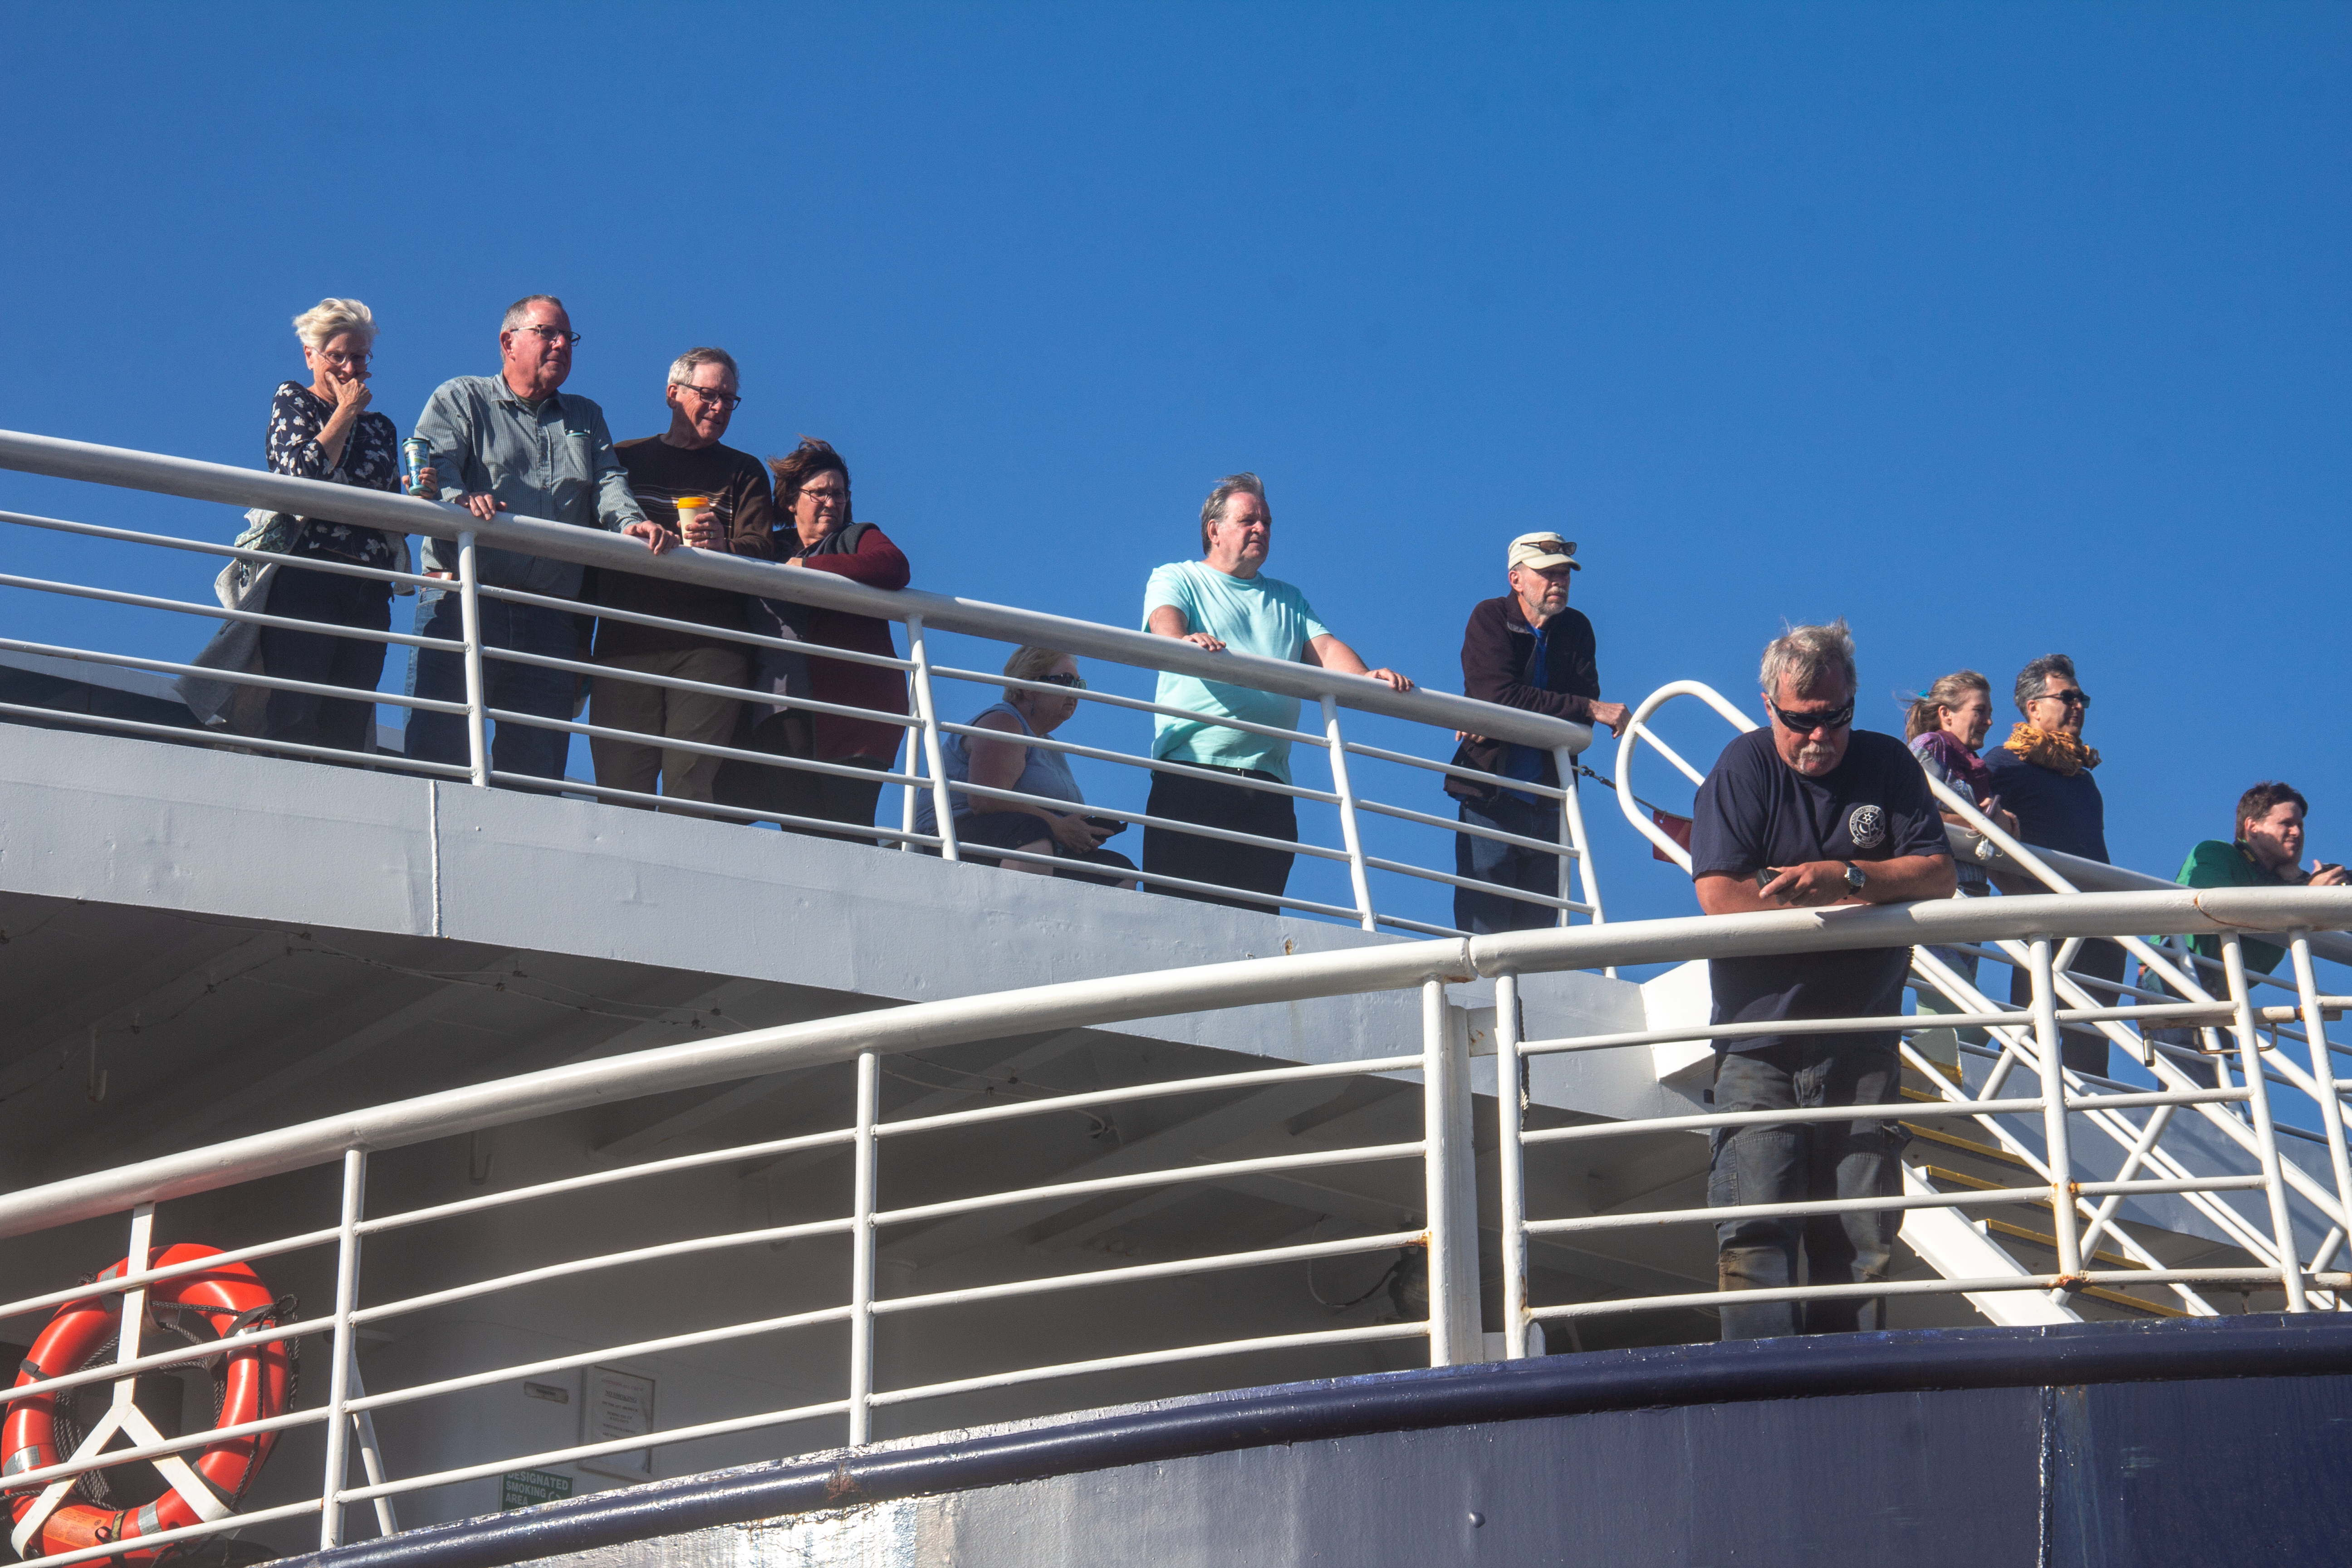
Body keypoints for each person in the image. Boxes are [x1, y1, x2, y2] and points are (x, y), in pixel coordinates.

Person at [1688, 619, 1954, 1340]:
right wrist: (1834, 899)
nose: (1819, 736)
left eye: (1836, 718)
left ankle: (1854, 1407)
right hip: (1759, 1047)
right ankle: (1758, 1406)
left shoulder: (1888, 765)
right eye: (1801, 721)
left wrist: (1848, 876)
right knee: (1754, 1241)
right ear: (1768, 705)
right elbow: (1719, 893)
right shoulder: (1743, 768)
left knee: (1863, 1248)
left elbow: (1938, 874)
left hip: (1861, 1045)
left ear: (1853, 702)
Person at [405, 295, 674, 783]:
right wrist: (459, 498)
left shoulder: (585, 417)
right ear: (509, 341)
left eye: (567, 337)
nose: (561, 345)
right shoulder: (461, 398)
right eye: (548, 333)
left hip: (551, 619)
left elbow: (609, 483)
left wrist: (630, 523)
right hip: (466, 598)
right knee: (437, 756)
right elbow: (434, 464)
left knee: (535, 776)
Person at [1141, 472, 1411, 910]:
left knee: (1255, 926)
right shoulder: (1178, 577)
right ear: (1215, 530)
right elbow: (1164, 623)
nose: (1262, 530)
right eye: (1249, 520)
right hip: (1194, 775)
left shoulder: (1287, 598)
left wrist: (1364, 678)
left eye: (1267, 522)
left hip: (1268, 786)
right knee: (1179, 914)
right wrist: (1179, 642)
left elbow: (1324, 648)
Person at [587, 348, 774, 808]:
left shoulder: (744, 471)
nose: (719, 407)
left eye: (729, 400)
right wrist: (578, 641)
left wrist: (722, 546)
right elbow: (588, 556)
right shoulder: (624, 460)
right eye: (709, 395)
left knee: (689, 788)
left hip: (710, 647)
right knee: (618, 789)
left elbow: (764, 551)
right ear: (673, 394)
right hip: (625, 643)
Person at [713, 438, 909, 840]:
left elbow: (894, 566)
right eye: (819, 493)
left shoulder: (856, 537)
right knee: (801, 829)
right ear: (791, 500)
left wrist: (810, 567)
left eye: (838, 494)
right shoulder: (767, 549)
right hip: (777, 706)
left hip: (854, 713)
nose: (831, 502)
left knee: (849, 830)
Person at [1444, 531, 1631, 934]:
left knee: (1537, 943)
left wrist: (1578, 708)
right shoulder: (1490, 618)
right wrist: (1583, 707)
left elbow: (1578, 714)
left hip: (1549, 805)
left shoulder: (1576, 629)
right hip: (1491, 799)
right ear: (1516, 580)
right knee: (1484, 937)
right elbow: (1500, 696)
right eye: (1547, 573)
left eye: (1564, 573)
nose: (1558, 582)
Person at [255, 298, 414, 755]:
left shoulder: (382, 427)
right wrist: (344, 413)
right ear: (311, 355)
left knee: (348, 725)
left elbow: (388, 507)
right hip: (307, 576)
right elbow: (300, 476)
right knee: (296, 715)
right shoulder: (294, 400)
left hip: (367, 586)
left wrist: (418, 495)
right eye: (337, 356)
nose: (350, 368)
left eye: (360, 357)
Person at [2148, 783, 2348, 1079]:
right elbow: (2221, 907)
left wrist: (2317, 891)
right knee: (2199, 1095)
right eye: (2286, 824)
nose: (2297, 833)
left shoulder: (2283, 885)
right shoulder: (2215, 853)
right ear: (2252, 827)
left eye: (2301, 826)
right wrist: (2307, 894)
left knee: (2221, 1094)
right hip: (2178, 978)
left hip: (2220, 997)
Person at [1981, 654, 2117, 1075]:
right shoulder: (2004, 764)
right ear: (2033, 707)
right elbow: (1982, 837)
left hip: (2098, 928)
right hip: (2044, 923)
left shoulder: (2082, 778)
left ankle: (2094, 1128)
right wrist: (2022, 898)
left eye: (2082, 698)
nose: (2078, 705)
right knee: (2033, 1035)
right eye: (2067, 697)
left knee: (2092, 1050)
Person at [915, 647, 1137, 887]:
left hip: (1031, 840)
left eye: (1079, 684)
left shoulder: (1049, 746)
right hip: (955, 837)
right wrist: (1058, 826)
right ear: (1028, 687)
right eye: (1065, 681)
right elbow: (985, 800)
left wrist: (1080, 828)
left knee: (1120, 872)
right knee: (1033, 833)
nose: (1074, 692)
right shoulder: (1003, 722)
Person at [1902, 670, 2022, 1074]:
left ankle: (1939, 1076)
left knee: (1949, 1008)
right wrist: (1980, 823)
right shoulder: (1930, 746)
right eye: (1980, 710)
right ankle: (1929, 1073)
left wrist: (2001, 822)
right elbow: (1918, 808)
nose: (1989, 720)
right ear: (1946, 714)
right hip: (1942, 890)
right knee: (1958, 1005)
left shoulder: (1973, 767)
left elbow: (1985, 821)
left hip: (1972, 894)